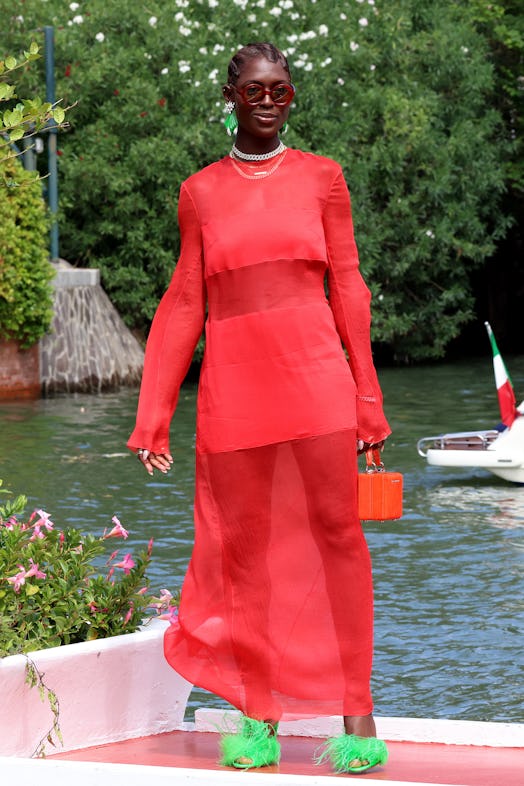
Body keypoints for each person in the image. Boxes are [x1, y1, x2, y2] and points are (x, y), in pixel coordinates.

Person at [128, 42, 391, 774]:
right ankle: (259, 719)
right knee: (246, 556)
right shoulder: (200, 193)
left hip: (319, 387)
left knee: (340, 538)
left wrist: (369, 400)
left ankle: (358, 716)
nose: (268, 99)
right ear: (231, 97)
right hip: (235, 393)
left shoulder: (323, 180)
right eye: (254, 90)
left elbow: (350, 290)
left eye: (280, 89)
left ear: (293, 96)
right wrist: (153, 414)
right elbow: (185, 302)